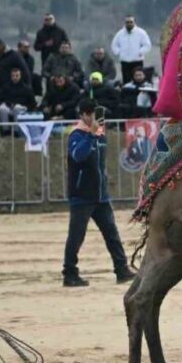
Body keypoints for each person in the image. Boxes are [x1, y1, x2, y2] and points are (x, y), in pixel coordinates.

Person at [63, 99, 137, 287]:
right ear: (85, 115)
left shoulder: (100, 136)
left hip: (101, 196)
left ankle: (121, 269)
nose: (100, 120)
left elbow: (100, 163)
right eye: (95, 115)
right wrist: (92, 136)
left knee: (112, 234)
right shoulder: (77, 135)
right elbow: (78, 155)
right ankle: (69, 273)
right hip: (81, 195)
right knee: (76, 236)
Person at [110, 15, 152, 82]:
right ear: (125, 23)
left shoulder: (141, 33)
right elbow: (114, 45)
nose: (129, 23)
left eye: (131, 22)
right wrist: (119, 53)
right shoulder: (120, 34)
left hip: (137, 61)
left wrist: (140, 52)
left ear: (134, 22)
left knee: (138, 80)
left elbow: (147, 45)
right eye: (127, 22)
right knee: (126, 81)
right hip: (125, 62)